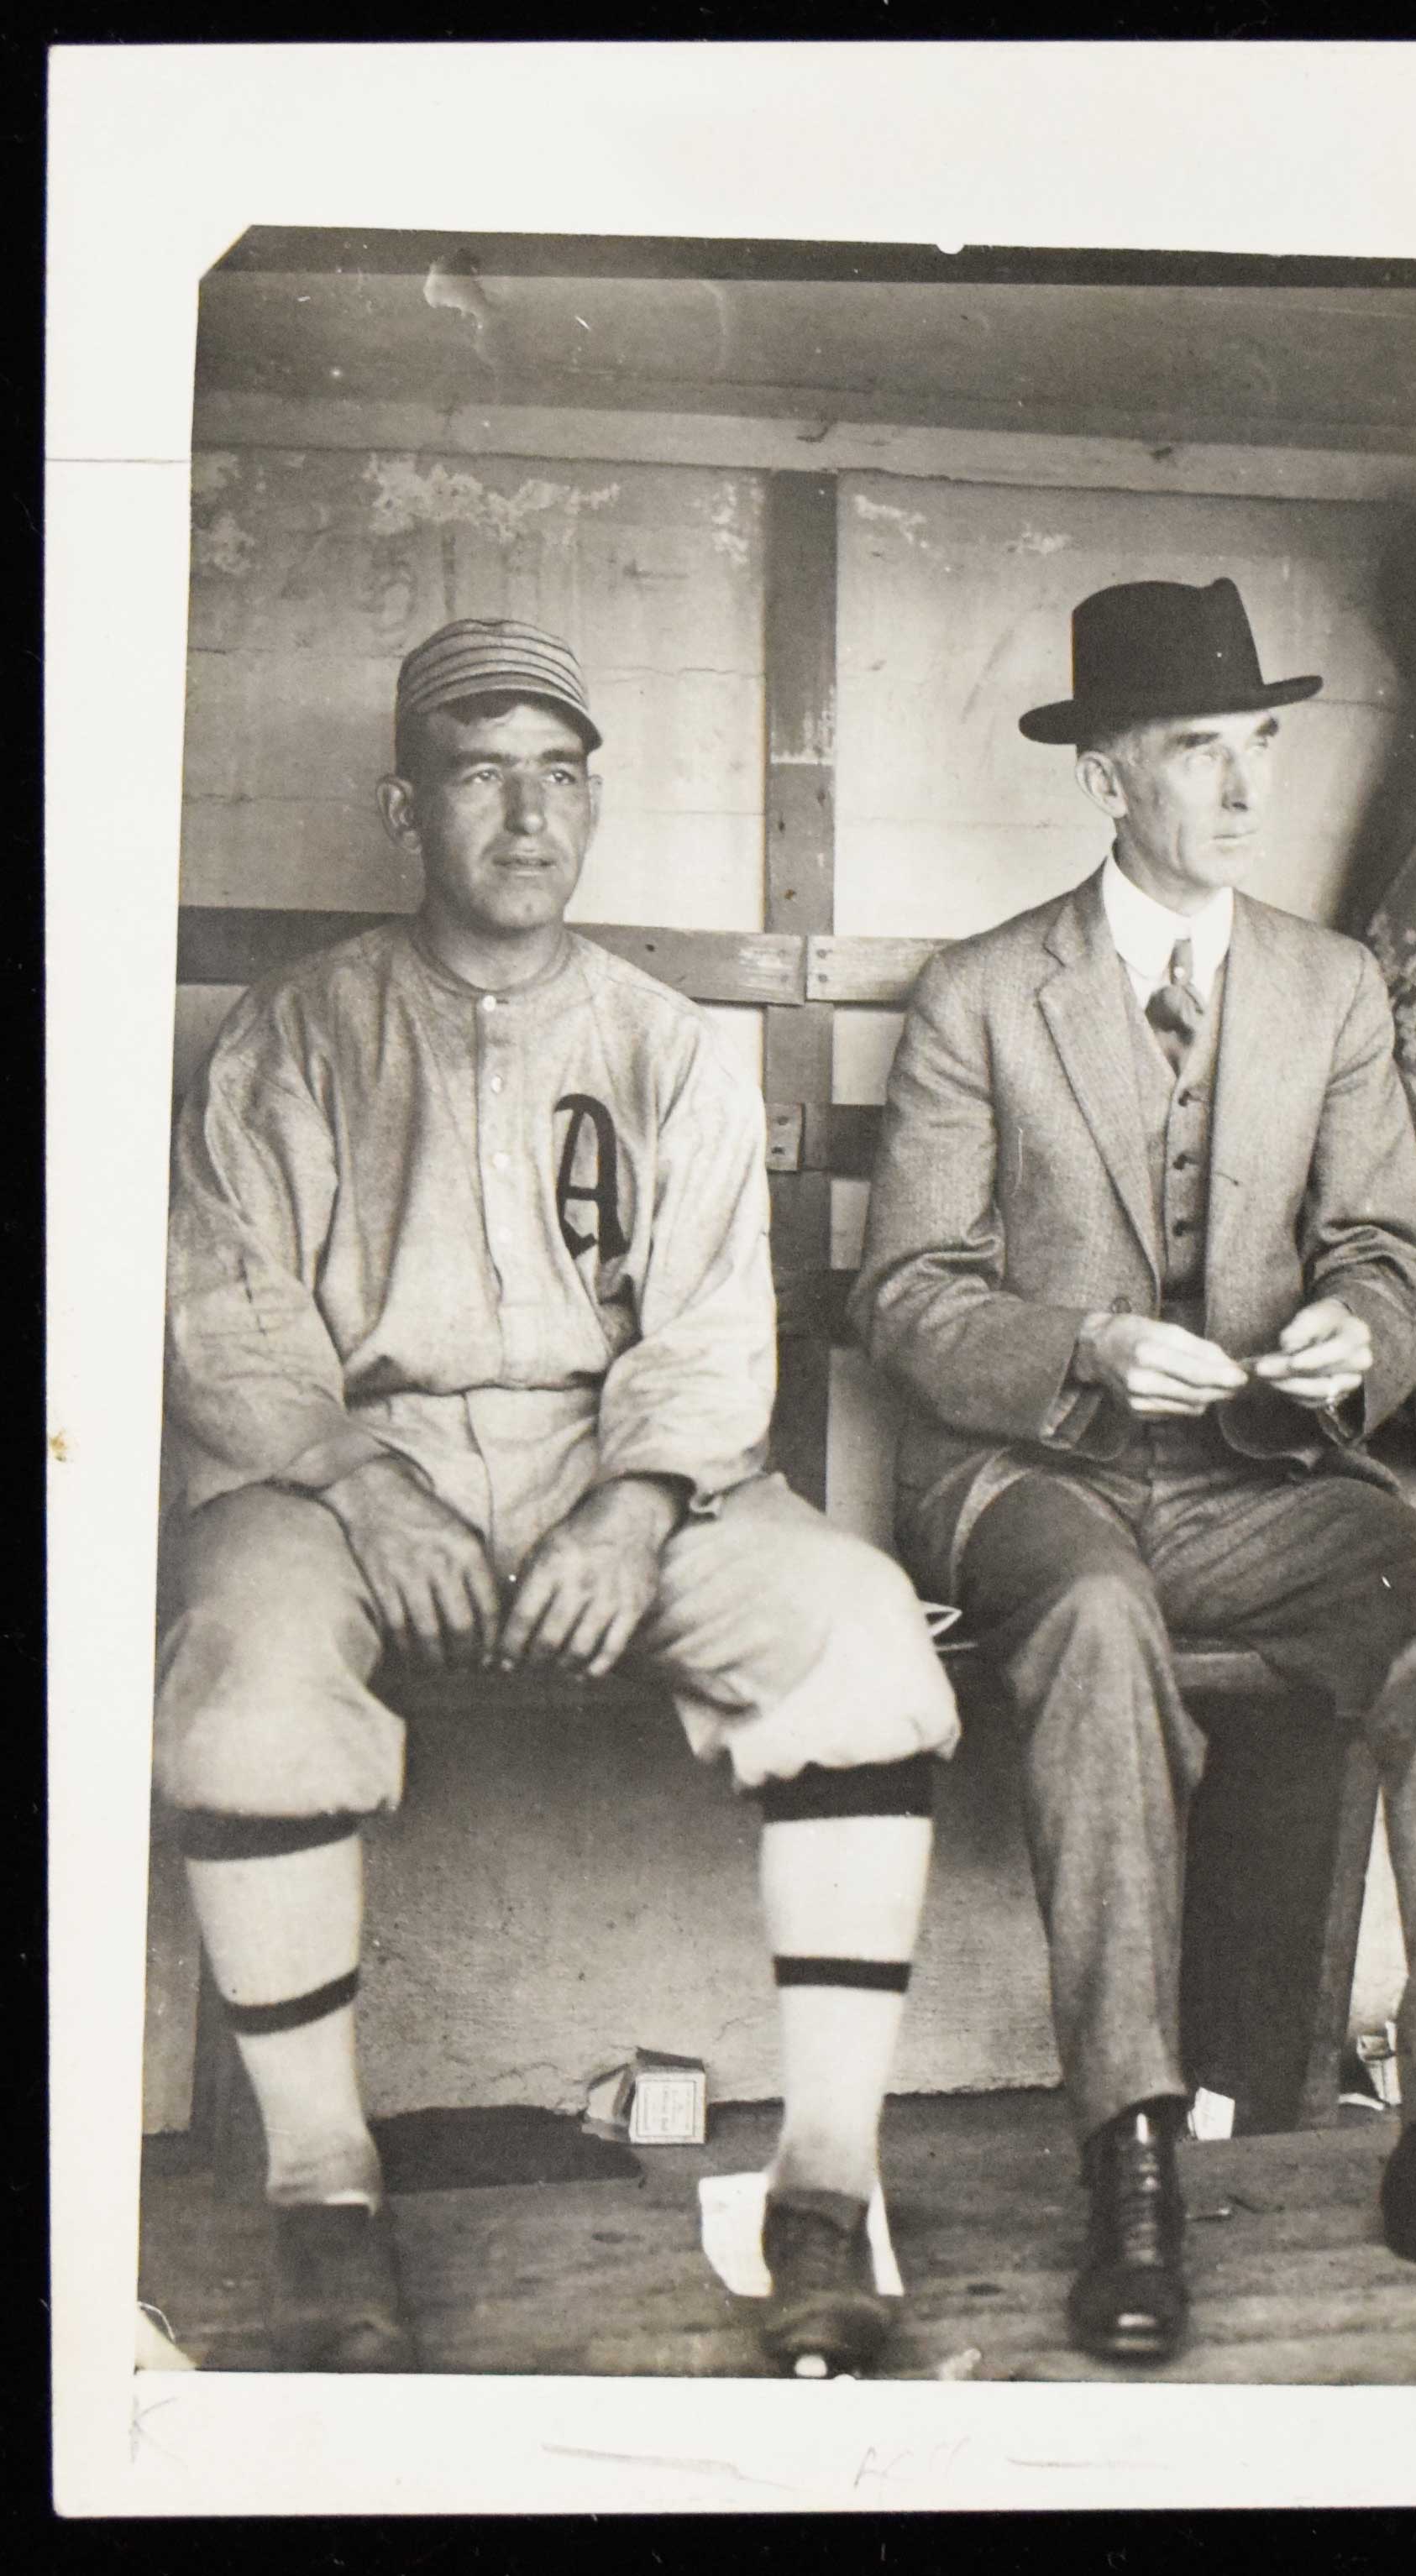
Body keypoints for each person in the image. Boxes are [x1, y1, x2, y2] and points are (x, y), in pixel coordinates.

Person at [159, 617, 960, 2377]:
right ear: (407, 806)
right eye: (481, 773)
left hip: (622, 1468)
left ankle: (826, 2187)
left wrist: (635, 1500)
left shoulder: (666, 1040)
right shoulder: (298, 1030)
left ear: (593, 801)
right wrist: (363, 1483)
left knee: (857, 1633)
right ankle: (323, 2190)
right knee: (248, 1680)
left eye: (562, 775)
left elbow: (713, 1327)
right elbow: (229, 1315)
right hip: (346, 1473)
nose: (529, 816)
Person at [851, 578, 1416, 2362]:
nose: (1248, 786)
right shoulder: (982, 995)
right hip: (1037, 1481)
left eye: (1260, 742)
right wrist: (1085, 1348)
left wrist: (1357, 1330)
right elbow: (909, 1295)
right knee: (1097, 1622)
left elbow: (1390, 1257)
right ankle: (1133, 2151)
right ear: (1104, 775)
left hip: (1253, 1486)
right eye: (1199, 749)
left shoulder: (1330, 990)